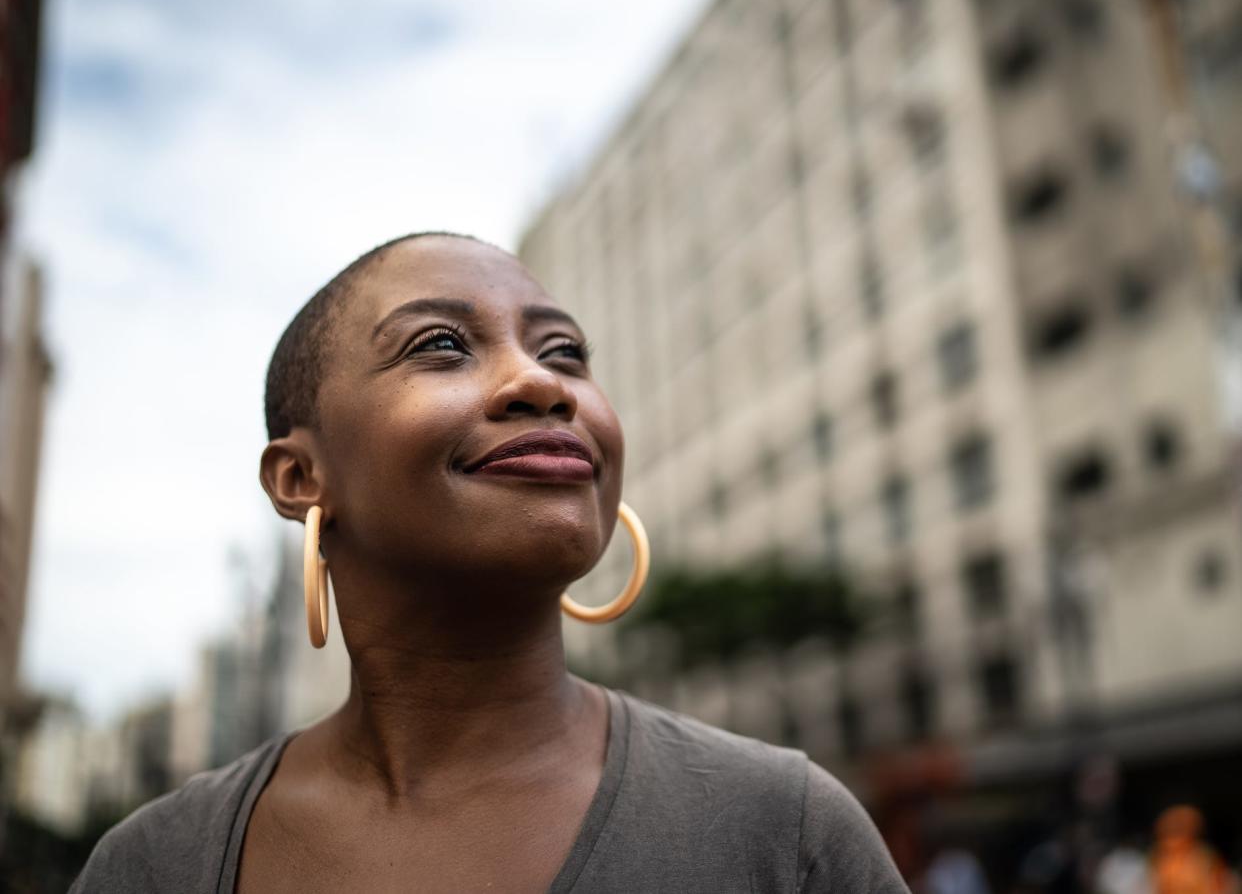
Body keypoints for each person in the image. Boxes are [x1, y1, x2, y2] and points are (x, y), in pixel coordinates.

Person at [70, 233, 908, 893]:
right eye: (440, 344)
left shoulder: (784, 832)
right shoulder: (152, 865)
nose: (544, 385)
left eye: (567, 354)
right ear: (299, 477)